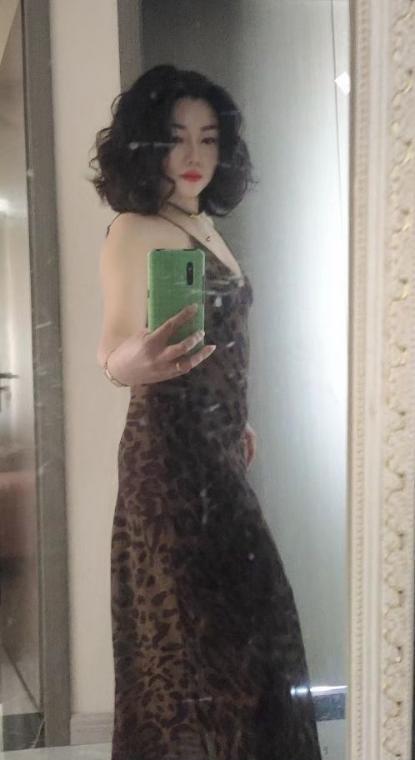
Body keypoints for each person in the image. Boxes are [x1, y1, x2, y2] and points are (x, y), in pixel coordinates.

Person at [90, 64, 322, 760]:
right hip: (167, 461)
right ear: (145, 145)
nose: (194, 154)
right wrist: (130, 363)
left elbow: (219, 343)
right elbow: (112, 348)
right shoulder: (135, 229)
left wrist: (235, 416)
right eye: (176, 137)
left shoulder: (203, 225)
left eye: (209, 138)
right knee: (188, 650)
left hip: (218, 454)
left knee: (249, 634)